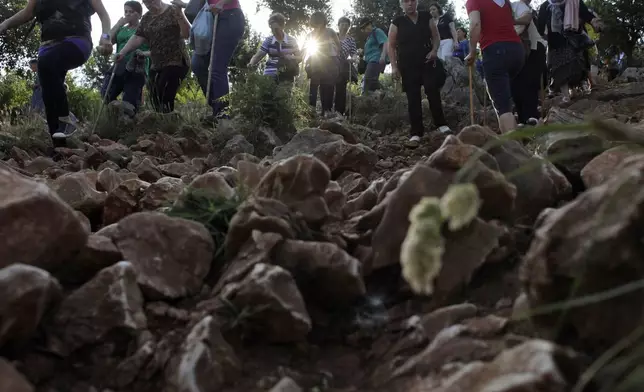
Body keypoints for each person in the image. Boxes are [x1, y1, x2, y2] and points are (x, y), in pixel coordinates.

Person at [0, 0, 111, 145]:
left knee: (46, 64)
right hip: (47, 45)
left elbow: (103, 14)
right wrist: (5, 24)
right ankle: (58, 141)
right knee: (47, 90)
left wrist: (105, 38)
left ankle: (65, 118)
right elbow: (27, 13)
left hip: (77, 41)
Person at [390, 0, 452, 147]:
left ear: (416, 2)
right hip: (407, 64)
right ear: (401, 4)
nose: (410, 4)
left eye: (412, 1)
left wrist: (434, 51)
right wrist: (393, 67)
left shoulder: (426, 17)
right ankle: (416, 133)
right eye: (406, 2)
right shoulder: (397, 22)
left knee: (432, 91)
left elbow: (436, 37)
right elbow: (391, 46)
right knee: (413, 97)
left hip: (427, 61)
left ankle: (441, 124)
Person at [174, 0, 245, 121]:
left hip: (229, 17)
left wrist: (221, 3)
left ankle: (222, 114)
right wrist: (184, 6)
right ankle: (215, 106)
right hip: (210, 20)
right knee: (197, 65)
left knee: (217, 68)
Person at [117, 0, 191, 114]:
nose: (149, 5)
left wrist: (180, 14)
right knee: (154, 96)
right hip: (156, 64)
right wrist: (122, 53)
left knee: (164, 92)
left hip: (176, 61)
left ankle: (168, 125)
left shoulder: (173, 10)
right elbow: (137, 37)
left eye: (151, 1)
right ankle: (164, 124)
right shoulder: (146, 18)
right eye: (146, 3)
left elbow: (186, 34)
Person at [465, 0, 524, 134]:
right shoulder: (506, 1)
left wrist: (472, 51)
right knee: (504, 97)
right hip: (517, 50)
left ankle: (515, 150)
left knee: (502, 106)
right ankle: (516, 131)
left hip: (495, 50)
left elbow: (475, 24)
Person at [537, 0, 601, 103]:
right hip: (556, 43)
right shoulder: (546, 6)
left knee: (576, 66)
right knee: (560, 69)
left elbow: (585, 13)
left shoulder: (574, 1)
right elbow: (540, 25)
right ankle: (566, 96)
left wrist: (594, 22)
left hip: (573, 40)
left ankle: (576, 90)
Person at [102, 1, 149, 112]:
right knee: (106, 93)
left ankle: (129, 120)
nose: (127, 14)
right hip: (119, 66)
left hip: (136, 67)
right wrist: (118, 24)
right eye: (126, 11)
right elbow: (105, 38)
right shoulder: (122, 29)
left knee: (131, 100)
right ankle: (117, 108)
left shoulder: (143, 29)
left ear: (139, 14)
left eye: (131, 12)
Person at [511, 0, 546, 126]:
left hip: (534, 48)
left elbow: (526, 19)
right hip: (516, 49)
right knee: (515, 84)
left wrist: (509, 23)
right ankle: (522, 118)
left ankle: (531, 117)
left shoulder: (518, 5)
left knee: (528, 83)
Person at [306, 12, 342, 117]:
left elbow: (338, 45)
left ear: (323, 22)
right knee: (314, 84)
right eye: (315, 24)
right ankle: (311, 110)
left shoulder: (330, 31)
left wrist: (336, 57)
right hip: (315, 60)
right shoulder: (310, 34)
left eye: (319, 23)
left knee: (328, 86)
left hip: (330, 61)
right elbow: (305, 49)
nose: (318, 26)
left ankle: (327, 110)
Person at [248, 13, 301, 84]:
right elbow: (258, 55)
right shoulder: (268, 40)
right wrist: (251, 64)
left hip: (287, 76)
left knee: (284, 95)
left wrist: (290, 57)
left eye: (276, 29)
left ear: (282, 26)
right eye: (272, 29)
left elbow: (300, 57)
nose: (274, 32)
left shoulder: (292, 41)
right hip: (269, 76)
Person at [358, 18, 388, 95]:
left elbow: (385, 42)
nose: (367, 28)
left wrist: (383, 56)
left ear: (371, 24)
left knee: (368, 81)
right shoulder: (369, 38)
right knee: (370, 83)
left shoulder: (377, 31)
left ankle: (378, 95)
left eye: (368, 25)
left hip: (376, 60)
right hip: (369, 62)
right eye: (363, 28)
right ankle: (379, 94)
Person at [335, 16, 358, 115]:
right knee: (328, 86)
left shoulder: (350, 40)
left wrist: (353, 58)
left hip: (343, 65)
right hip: (330, 63)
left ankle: (339, 111)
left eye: (346, 25)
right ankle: (326, 109)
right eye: (342, 24)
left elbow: (353, 53)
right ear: (338, 25)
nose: (344, 26)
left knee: (341, 87)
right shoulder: (333, 36)